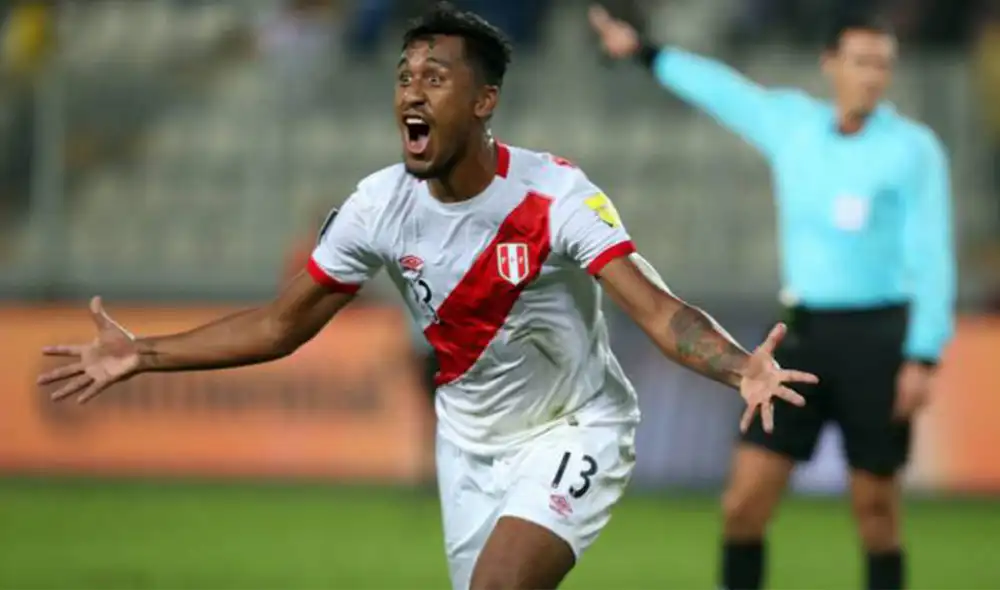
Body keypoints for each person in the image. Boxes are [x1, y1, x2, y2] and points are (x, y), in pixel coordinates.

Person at [37, 4, 816, 589]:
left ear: (484, 103)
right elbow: (282, 324)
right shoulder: (377, 206)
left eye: (436, 78)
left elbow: (659, 310)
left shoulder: (555, 196)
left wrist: (740, 366)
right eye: (405, 76)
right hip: (468, 445)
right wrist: (142, 352)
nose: (412, 90)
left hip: (575, 426)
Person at [589, 5, 955, 590]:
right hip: (802, 336)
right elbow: (722, 91)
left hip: (879, 342)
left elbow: (933, 255)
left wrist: (924, 355)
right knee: (741, 506)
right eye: (861, 61)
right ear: (830, 63)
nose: (872, 75)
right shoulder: (793, 125)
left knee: (878, 517)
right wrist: (645, 51)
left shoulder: (914, 150)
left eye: (882, 64)